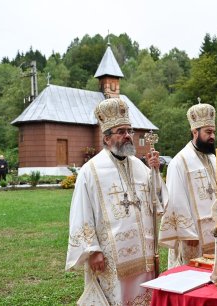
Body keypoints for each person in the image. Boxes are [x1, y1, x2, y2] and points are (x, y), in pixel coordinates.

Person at [65, 97, 167, 305]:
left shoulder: (139, 166)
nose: (128, 136)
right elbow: (81, 213)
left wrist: (155, 171)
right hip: (111, 257)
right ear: (107, 138)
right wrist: (93, 251)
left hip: (144, 251)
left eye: (129, 130)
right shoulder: (91, 171)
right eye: (121, 132)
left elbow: (158, 201)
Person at [159, 102, 217, 269]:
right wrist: (187, 234)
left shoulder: (213, 159)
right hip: (194, 237)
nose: (212, 136)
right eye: (208, 132)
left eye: (213, 132)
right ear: (195, 132)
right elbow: (175, 201)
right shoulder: (179, 162)